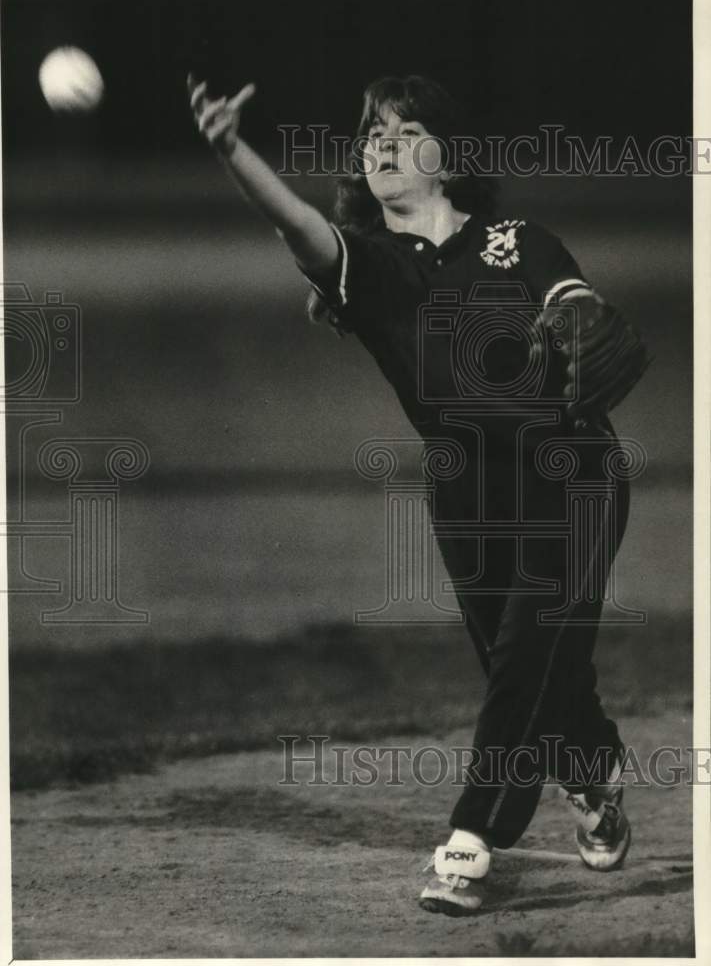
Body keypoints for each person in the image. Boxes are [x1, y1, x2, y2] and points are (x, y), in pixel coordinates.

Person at [189, 73, 651, 917]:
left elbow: (570, 300)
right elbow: (294, 224)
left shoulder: (518, 240)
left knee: (520, 661)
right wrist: (229, 149)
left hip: (569, 475)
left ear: (448, 156)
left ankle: (471, 840)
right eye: (372, 133)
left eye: (404, 130)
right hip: (465, 493)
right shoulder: (369, 271)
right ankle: (594, 773)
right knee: (538, 676)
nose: (383, 143)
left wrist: (577, 307)